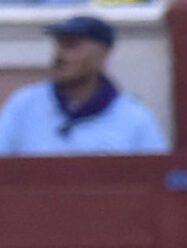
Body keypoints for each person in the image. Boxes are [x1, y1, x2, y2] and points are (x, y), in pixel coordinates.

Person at [0, 14, 165, 154]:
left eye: (71, 46)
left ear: (102, 54)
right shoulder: (23, 105)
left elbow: (157, 180)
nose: (59, 55)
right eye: (58, 45)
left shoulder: (133, 117)